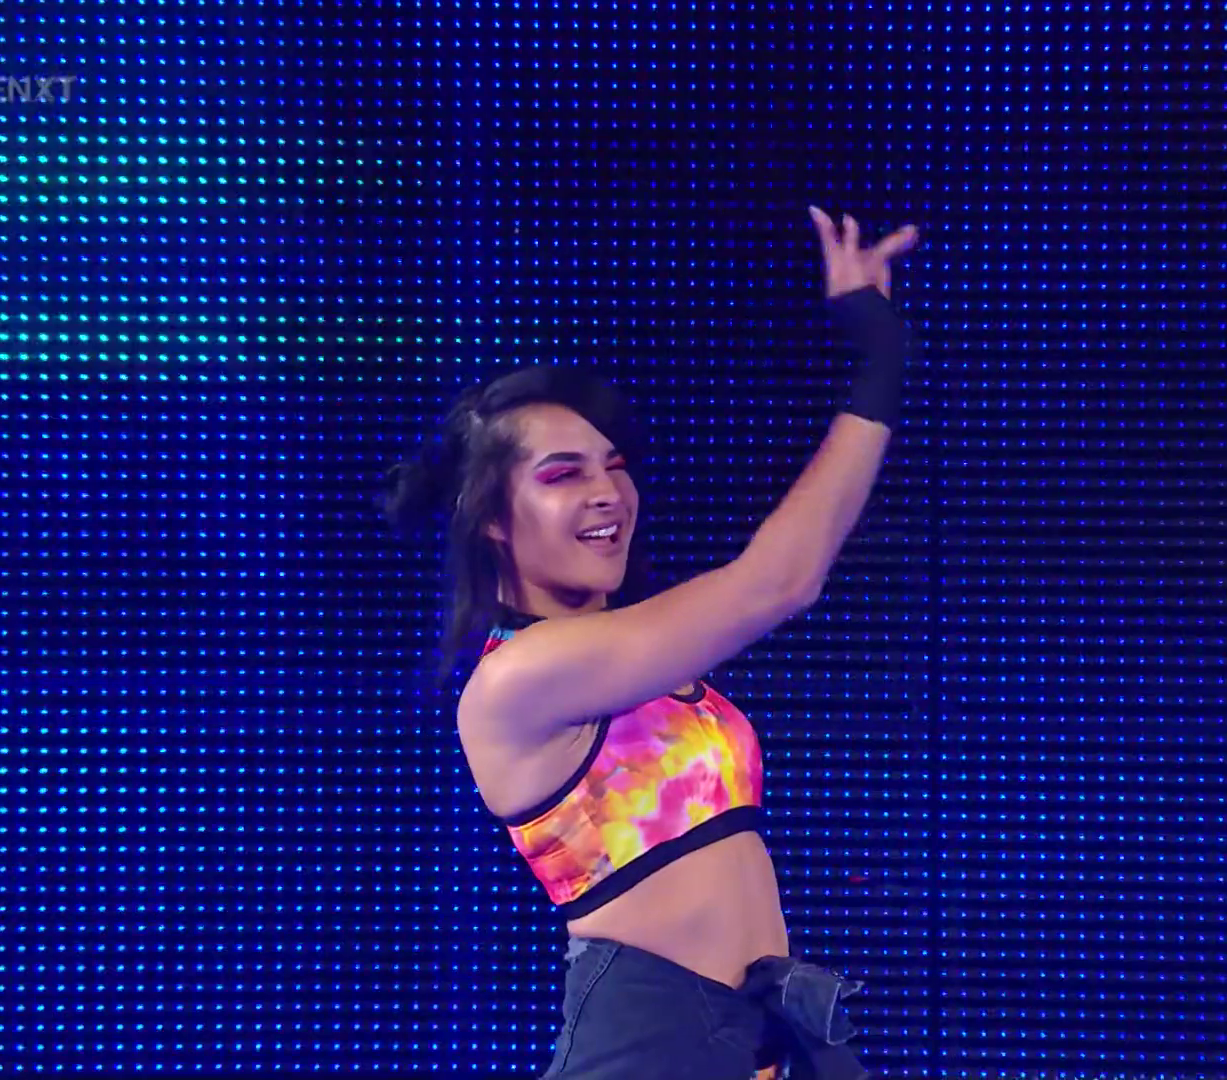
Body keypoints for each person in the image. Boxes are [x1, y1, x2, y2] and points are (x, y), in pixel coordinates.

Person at [381, 207, 920, 1079]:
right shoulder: (519, 676)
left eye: (615, 466)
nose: (607, 493)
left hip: (757, 1044)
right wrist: (882, 361)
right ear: (491, 519)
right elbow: (779, 582)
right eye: (564, 474)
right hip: (649, 1045)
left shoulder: (635, 665)